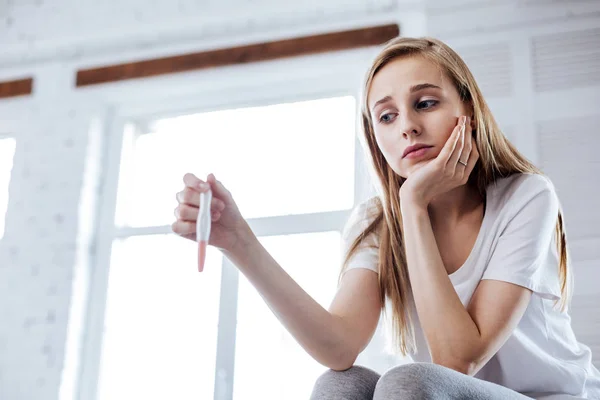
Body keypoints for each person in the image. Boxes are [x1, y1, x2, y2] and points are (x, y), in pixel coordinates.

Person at [171, 36, 600, 399]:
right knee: (342, 385)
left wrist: (412, 206)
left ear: (467, 109)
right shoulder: (374, 221)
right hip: (442, 393)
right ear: (376, 136)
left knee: (409, 381)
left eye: (426, 103)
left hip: (549, 396)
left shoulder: (525, 196)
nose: (407, 127)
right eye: (387, 116)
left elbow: (457, 360)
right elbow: (338, 347)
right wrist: (240, 242)